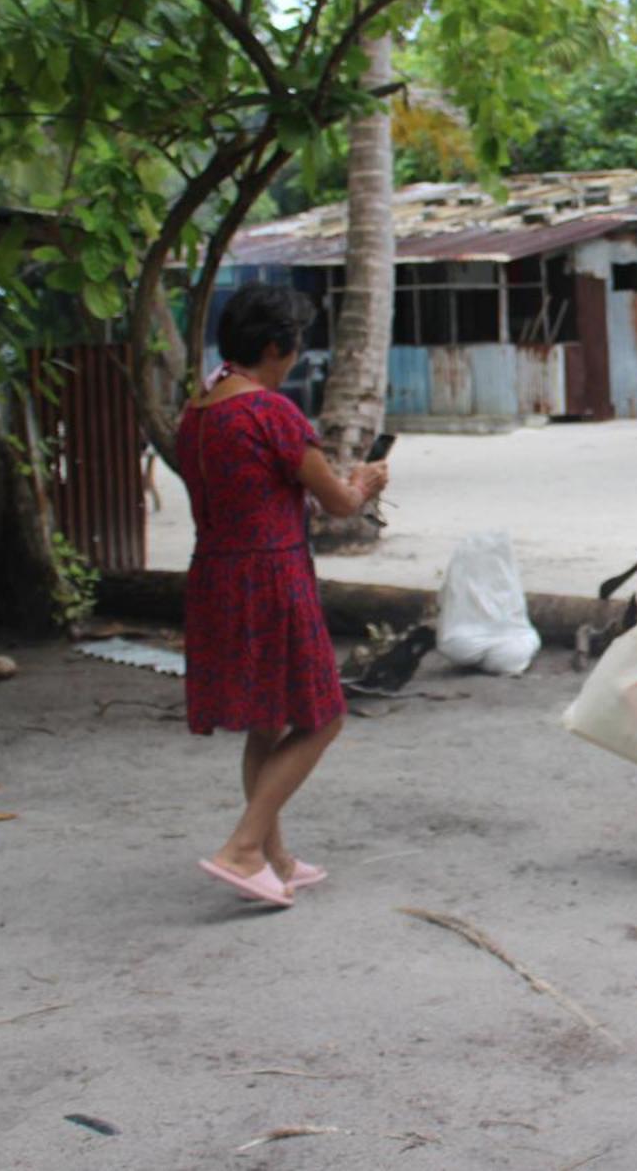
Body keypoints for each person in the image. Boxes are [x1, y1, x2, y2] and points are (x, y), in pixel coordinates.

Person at [182, 285, 389, 908]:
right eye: (296, 347)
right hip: (271, 579)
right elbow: (339, 503)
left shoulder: (198, 412)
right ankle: (243, 849)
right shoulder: (271, 416)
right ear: (276, 347)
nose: (298, 357)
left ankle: (275, 857)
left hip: (214, 577)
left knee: (266, 720)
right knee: (323, 715)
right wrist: (368, 481)